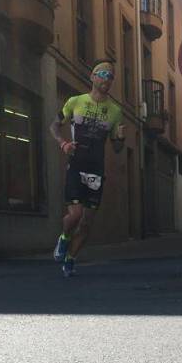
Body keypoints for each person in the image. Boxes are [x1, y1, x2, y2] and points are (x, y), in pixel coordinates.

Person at [50, 59, 125, 277]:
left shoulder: (115, 111)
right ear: (92, 77)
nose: (106, 78)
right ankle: (64, 240)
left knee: (87, 223)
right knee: (75, 216)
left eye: (110, 76)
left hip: (96, 170)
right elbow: (54, 125)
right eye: (102, 74)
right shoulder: (75, 102)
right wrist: (63, 143)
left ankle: (70, 259)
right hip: (76, 165)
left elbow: (118, 148)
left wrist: (121, 137)